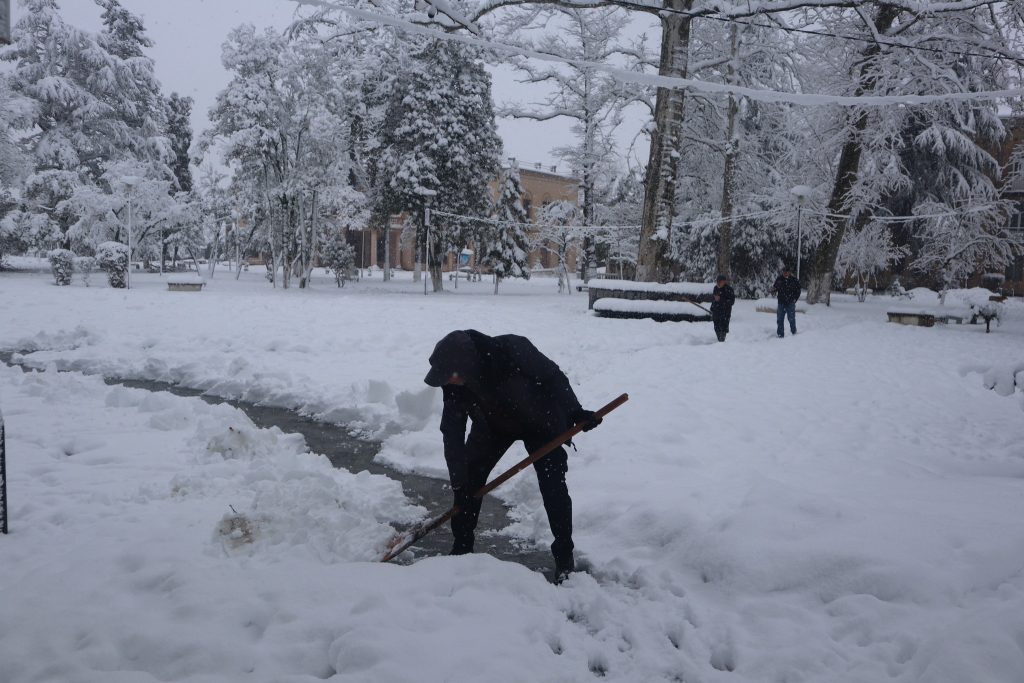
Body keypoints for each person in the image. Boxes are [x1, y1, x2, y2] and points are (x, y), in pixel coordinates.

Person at [424, 330, 601, 581]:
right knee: (468, 479)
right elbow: (452, 431)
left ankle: (564, 557)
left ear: (468, 363)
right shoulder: (454, 381)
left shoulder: (513, 349)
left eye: (452, 376)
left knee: (553, 485)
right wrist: (458, 481)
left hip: (540, 422)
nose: (450, 382)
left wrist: (574, 411)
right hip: (493, 425)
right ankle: (462, 549)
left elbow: (553, 376)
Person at [771, 265, 801, 338]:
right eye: (784, 272)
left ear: (789, 272)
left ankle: (794, 333)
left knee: (791, 319)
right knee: (780, 319)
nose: (785, 273)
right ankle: (780, 335)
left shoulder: (794, 280)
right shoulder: (779, 279)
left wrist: (795, 299)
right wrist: (773, 291)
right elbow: (775, 288)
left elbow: (798, 290)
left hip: (790, 303)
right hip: (781, 303)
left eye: (786, 272)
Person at [710, 274, 735, 342]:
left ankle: (721, 342)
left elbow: (732, 302)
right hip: (716, 312)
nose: (718, 283)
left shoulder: (729, 290)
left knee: (723, 328)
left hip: (725, 313)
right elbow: (713, 299)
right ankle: (719, 341)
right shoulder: (715, 288)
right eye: (717, 281)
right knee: (716, 328)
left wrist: (721, 299)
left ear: (724, 282)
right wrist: (712, 308)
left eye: (720, 282)